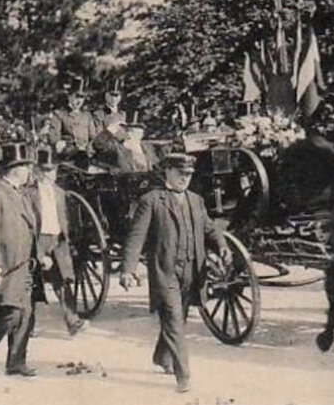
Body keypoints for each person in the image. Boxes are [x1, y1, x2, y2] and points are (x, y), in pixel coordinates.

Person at [119, 153, 232, 393]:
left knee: (177, 319)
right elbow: (136, 236)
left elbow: (210, 230)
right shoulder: (151, 200)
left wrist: (222, 246)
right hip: (165, 272)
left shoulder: (196, 200)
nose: (184, 179)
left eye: (189, 175)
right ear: (167, 171)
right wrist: (128, 270)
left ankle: (162, 356)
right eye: (180, 174)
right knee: (173, 319)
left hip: (192, 272)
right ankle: (184, 376)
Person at [0, 143, 46, 377]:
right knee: (10, 313)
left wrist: (41, 256)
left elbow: (31, 229)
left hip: (25, 266)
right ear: (14, 169)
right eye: (26, 167)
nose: (29, 171)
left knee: (26, 314)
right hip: (6, 266)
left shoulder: (22, 194)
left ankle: (16, 362)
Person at [24, 148, 87, 336]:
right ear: (37, 170)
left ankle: (72, 321)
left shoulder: (60, 192)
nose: (49, 174)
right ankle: (28, 325)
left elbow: (64, 217)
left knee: (63, 281)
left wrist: (66, 238)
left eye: (52, 170)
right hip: (38, 239)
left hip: (56, 239)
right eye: (44, 170)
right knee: (33, 282)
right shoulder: (28, 192)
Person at [48, 76, 97, 160]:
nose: (79, 101)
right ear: (69, 96)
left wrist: (90, 148)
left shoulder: (87, 116)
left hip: (87, 156)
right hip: (68, 157)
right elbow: (54, 139)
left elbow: (93, 137)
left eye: (82, 97)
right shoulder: (60, 115)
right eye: (77, 96)